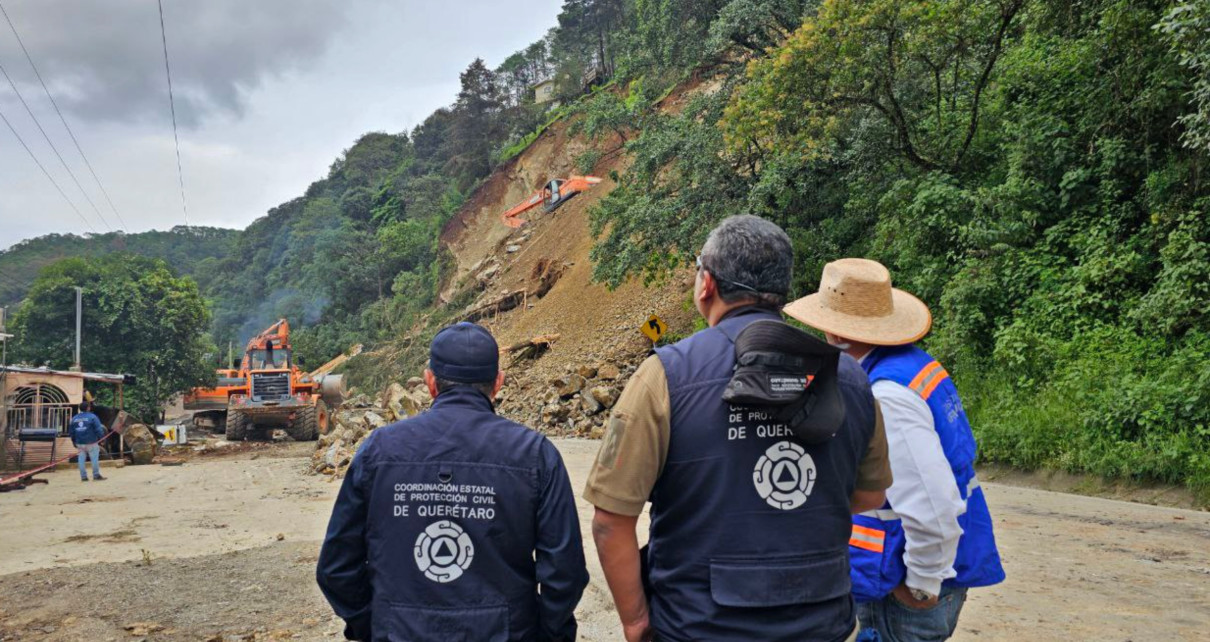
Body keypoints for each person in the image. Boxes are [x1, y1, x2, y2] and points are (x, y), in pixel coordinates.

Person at [585, 215, 893, 642]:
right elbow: (870, 494)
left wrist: (636, 622)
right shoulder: (852, 378)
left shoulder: (664, 377)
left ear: (706, 283)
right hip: (822, 623)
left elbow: (610, 521)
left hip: (696, 626)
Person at [316, 322, 588, 642]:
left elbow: (336, 569)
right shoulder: (535, 455)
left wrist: (375, 624)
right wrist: (545, 633)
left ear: (430, 382)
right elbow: (565, 573)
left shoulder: (378, 451)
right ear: (497, 383)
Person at [785, 258, 1006, 642]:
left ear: (834, 333)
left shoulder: (887, 395)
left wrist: (920, 586)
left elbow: (933, 504)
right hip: (906, 577)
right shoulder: (910, 366)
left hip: (904, 593)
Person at [69, 400, 106, 482]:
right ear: (88, 408)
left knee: (81, 459)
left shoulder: (74, 418)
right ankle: (96, 475)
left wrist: (73, 441)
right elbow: (98, 429)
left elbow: (71, 432)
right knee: (94, 459)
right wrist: (102, 439)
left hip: (79, 442)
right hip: (91, 442)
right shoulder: (92, 417)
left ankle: (83, 477)